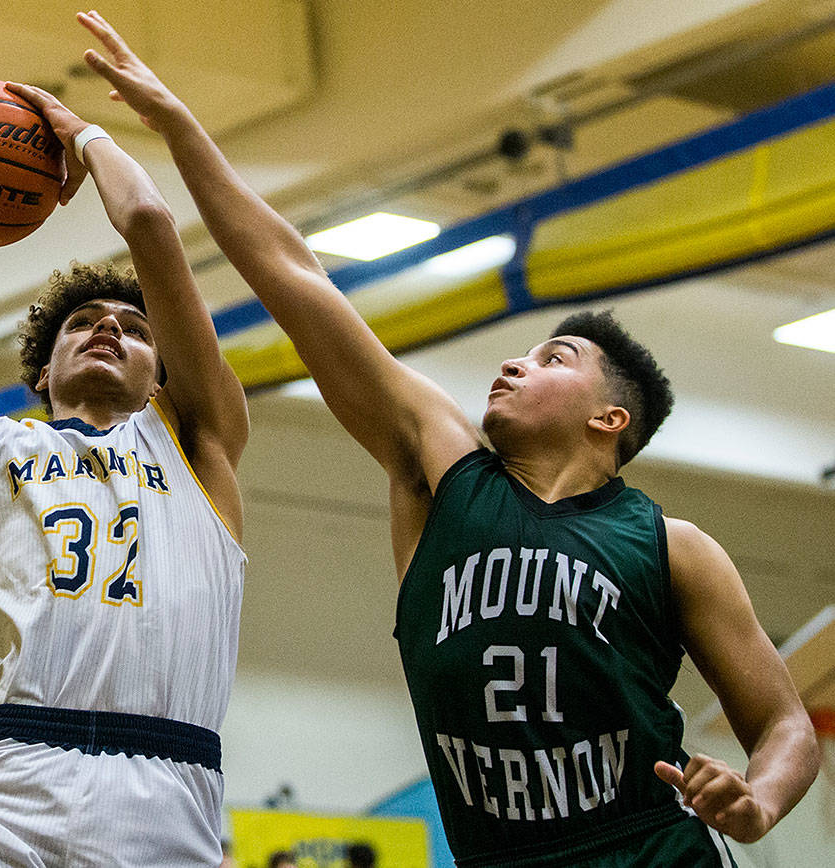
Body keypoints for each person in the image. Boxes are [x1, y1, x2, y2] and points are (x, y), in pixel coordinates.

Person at [70, 10, 821, 867]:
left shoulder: (670, 548)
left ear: (611, 418)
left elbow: (786, 723)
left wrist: (759, 799)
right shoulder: (441, 471)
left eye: (553, 358)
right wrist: (176, 123)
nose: (514, 362)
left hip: (648, 852)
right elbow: (293, 274)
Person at [0, 73, 248, 865]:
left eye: (135, 329)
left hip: (171, 783)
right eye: (83, 323)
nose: (109, 328)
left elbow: (148, 219)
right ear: (42, 372)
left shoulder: (197, 441)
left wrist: (82, 134)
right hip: (13, 773)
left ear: (163, 372)